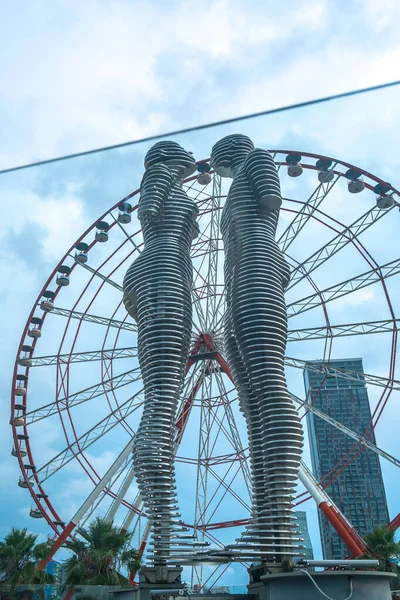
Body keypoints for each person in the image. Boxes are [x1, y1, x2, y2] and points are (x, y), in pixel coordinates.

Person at [210, 134, 303, 560]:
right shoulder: (235, 184)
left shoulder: (258, 161)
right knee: (253, 405)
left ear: (227, 154)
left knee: (269, 385)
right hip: (237, 279)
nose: (215, 172)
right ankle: (265, 523)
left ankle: (278, 518)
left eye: (216, 164)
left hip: (257, 265)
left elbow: (270, 204)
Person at [123, 141, 199, 565]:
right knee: (159, 405)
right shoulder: (158, 177)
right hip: (163, 267)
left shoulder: (167, 183)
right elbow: (148, 213)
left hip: (168, 268)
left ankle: (166, 525)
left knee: (160, 403)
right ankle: (165, 524)